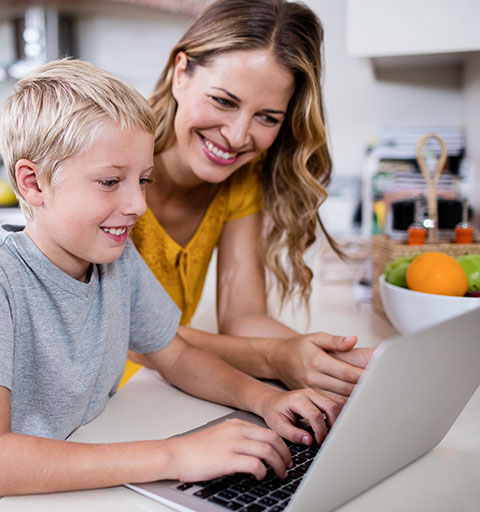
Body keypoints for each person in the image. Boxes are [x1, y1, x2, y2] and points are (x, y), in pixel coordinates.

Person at [0, 59, 339, 512]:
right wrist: (175, 455)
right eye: (111, 181)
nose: (137, 205)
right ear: (33, 183)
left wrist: (266, 399)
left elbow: (176, 355)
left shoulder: (117, 261)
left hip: (95, 488)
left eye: (143, 180)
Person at [126, 0, 373, 398]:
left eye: (268, 117)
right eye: (224, 101)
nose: (238, 136)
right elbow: (126, 336)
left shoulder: (240, 180)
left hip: (155, 396)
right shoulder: (111, 168)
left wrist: (327, 362)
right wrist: (277, 357)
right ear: (180, 74)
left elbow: (242, 317)